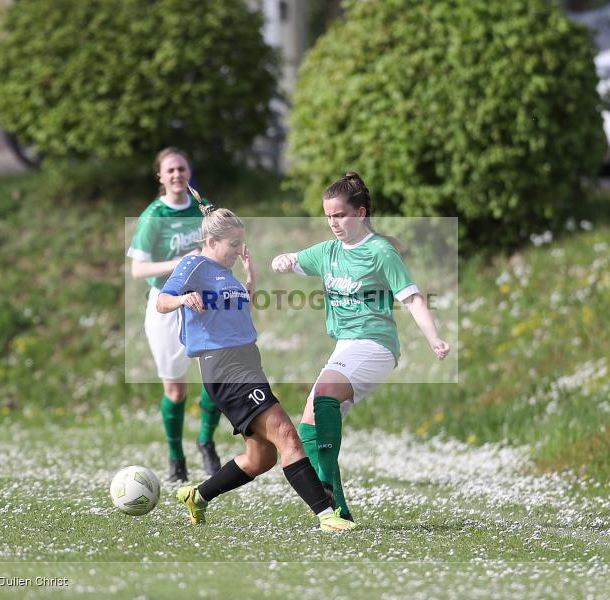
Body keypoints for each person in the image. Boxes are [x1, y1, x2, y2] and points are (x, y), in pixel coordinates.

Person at [157, 205, 355, 531]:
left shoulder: (226, 271)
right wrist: (182, 300)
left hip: (247, 362)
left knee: (260, 459)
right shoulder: (194, 264)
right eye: (233, 245)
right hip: (223, 366)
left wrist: (250, 279)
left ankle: (198, 496)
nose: (238, 251)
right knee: (288, 435)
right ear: (211, 240)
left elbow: (237, 309)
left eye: (240, 245)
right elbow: (162, 301)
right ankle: (326, 515)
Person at [271, 171, 450, 522]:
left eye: (340, 215)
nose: (333, 223)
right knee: (309, 425)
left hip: (376, 345)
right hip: (346, 347)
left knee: (324, 396)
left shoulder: (381, 252)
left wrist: (434, 338)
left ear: (361, 213)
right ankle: (339, 512)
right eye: (328, 216)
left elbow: (412, 299)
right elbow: (295, 260)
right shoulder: (329, 251)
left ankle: (322, 487)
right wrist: (283, 260)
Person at [126, 147, 222, 482]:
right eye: (170, 171)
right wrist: (181, 263)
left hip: (203, 303)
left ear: (188, 171)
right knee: (176, 390)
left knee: (216, 379)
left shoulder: (202, 206)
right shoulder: (154, 215)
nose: (177, 175)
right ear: (161, 177)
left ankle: (206, 442)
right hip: (166, 303)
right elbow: (138, 269)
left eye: (181, 168)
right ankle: (176, 458)